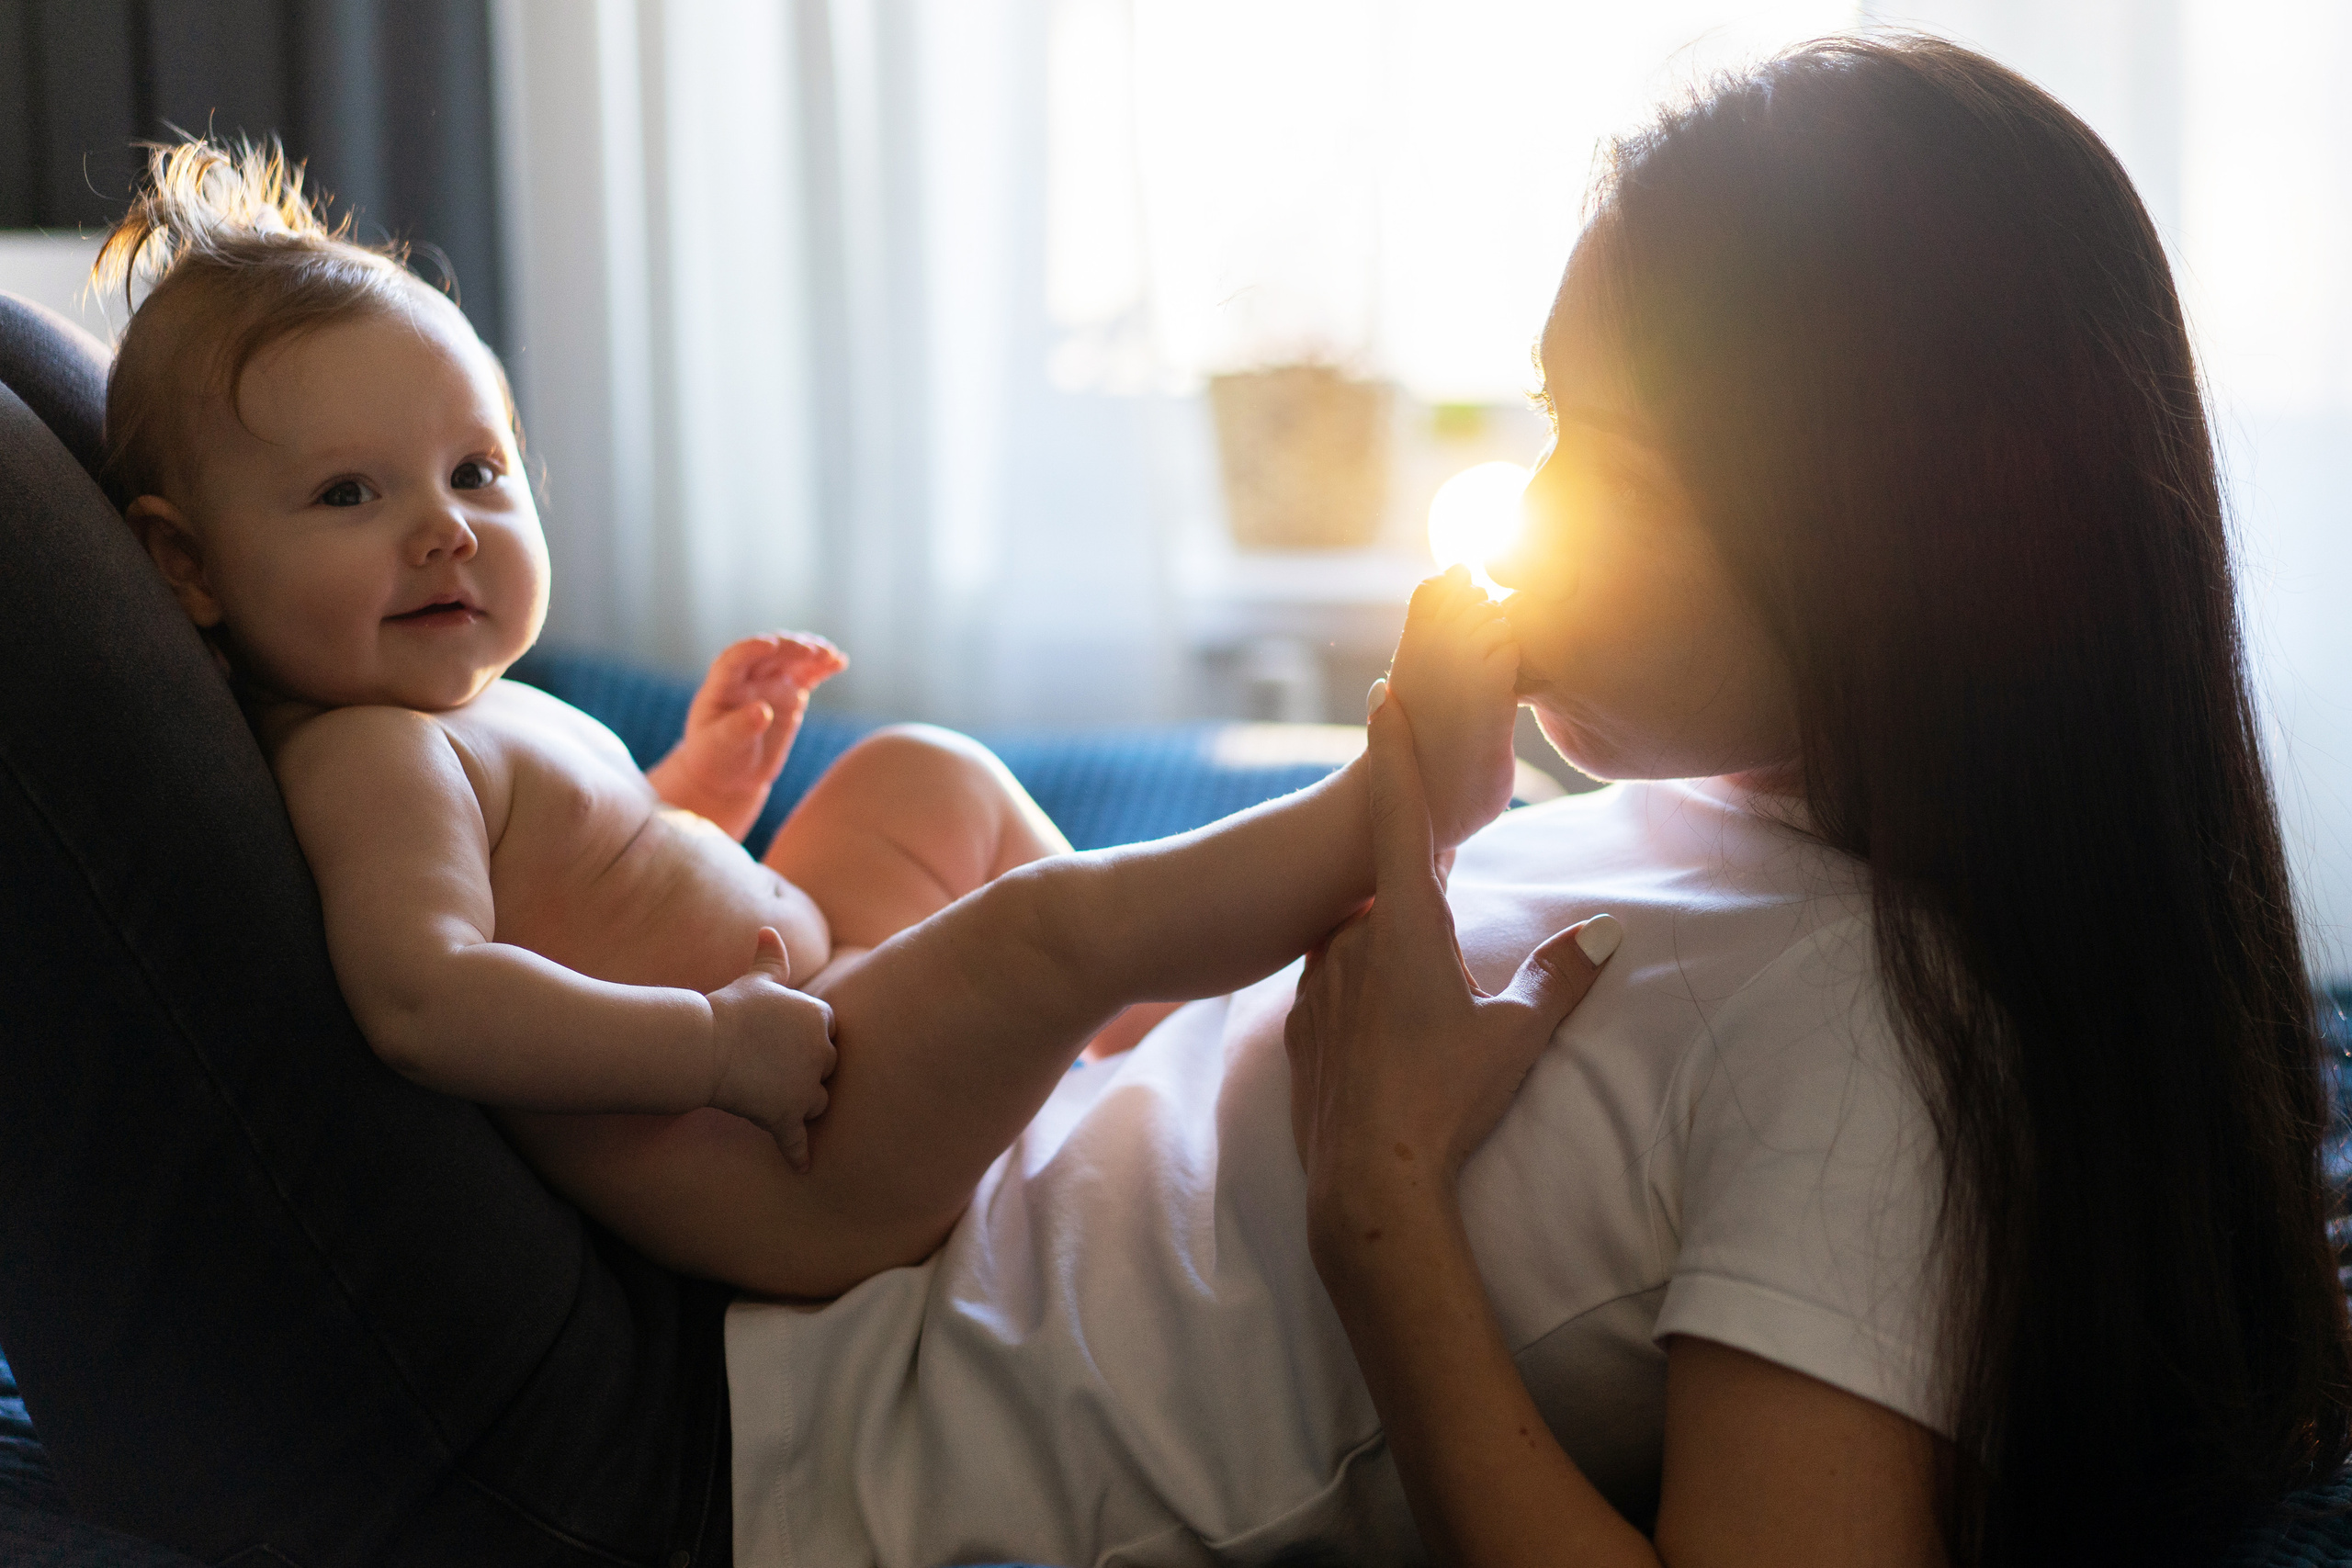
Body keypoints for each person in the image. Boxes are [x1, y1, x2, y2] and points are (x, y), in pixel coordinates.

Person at [718, 33, 2352, 1568]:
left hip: (746, 1430)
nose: (1525, 518)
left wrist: (1383, 1212)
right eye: (1551, 422)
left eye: (1613, 470)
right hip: (819, 1261)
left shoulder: (1884, 1061)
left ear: (1891, 561)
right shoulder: (1733, 818)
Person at [92, 136, 1566, 1301]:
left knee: (923, 775)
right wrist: (707, 1053)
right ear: (187, 565)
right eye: (352, 494)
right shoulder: (366, 755)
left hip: (805, 1022)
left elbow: (581, 880)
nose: (445, 532)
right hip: (785, 1156)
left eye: (476, 472)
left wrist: (701, 786)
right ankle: (1387, 808)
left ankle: (1156, 1024)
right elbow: (428, 997)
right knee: (1036, 923)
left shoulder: (463, 711)